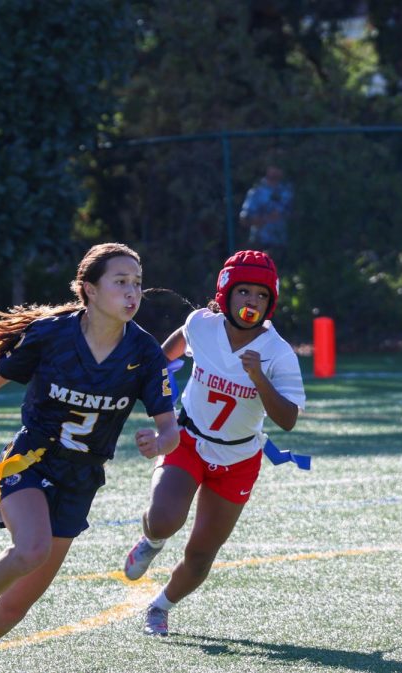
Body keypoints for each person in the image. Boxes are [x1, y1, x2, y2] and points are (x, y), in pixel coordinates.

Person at [0, 242, 180, 672]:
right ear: (89, 290)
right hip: (29, 460)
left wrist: (160, 442)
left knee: (14, 608)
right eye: (120, 282)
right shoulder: (52, 336)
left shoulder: (144, 353)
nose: (132, 292)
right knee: (31, 548)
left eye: (137, 283)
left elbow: (170, 429)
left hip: (82, 477)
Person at [121, 250, 305, 636]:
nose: (251, 301)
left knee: (202, 554)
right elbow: (167, 353)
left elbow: (287, 419)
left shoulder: (277, 353)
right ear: (225, 292)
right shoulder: (201, 325)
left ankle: (160, 606)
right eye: (243, 292)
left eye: (260, 294)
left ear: (270, 302)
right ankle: (150, 541)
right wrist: (156, 395)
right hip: (188, 440)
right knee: (164, 519)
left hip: (239, 458)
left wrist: (259, 378)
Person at [239, 166, 293, 257]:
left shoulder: (288, 190)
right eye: (274, 166)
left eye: (279, 166)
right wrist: (266, 219)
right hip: (260, 244)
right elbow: (244, 219)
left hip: (284, 244)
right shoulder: (256, 192)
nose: (276, 171)